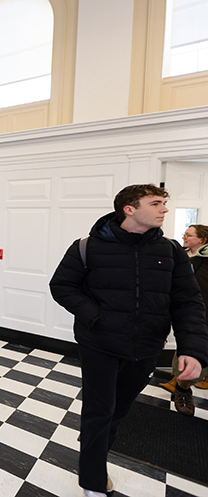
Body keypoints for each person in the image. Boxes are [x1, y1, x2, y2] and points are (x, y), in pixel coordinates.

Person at [49, 184, 208, 497]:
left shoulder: (171, 251)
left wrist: (193, 349)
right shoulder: (87, 246)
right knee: (99, 410)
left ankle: (96, 444)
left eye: (164, 203)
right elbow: (62, 286)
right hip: (99, 344)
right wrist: (97, 317)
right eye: (156, 203)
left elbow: (188, 301)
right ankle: (92, 479)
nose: (164, 209)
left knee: (119, 411)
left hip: (146, 348)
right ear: (129, 209)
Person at [157, 223, 208, 412]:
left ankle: (183, 387)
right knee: (184, 349)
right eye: (184, 234)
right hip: (184, 313)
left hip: (201, 314)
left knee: (196, 353)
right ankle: (179, 383)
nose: (185, 237)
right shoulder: (180, 256)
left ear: (202, 240)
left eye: (189, 235)